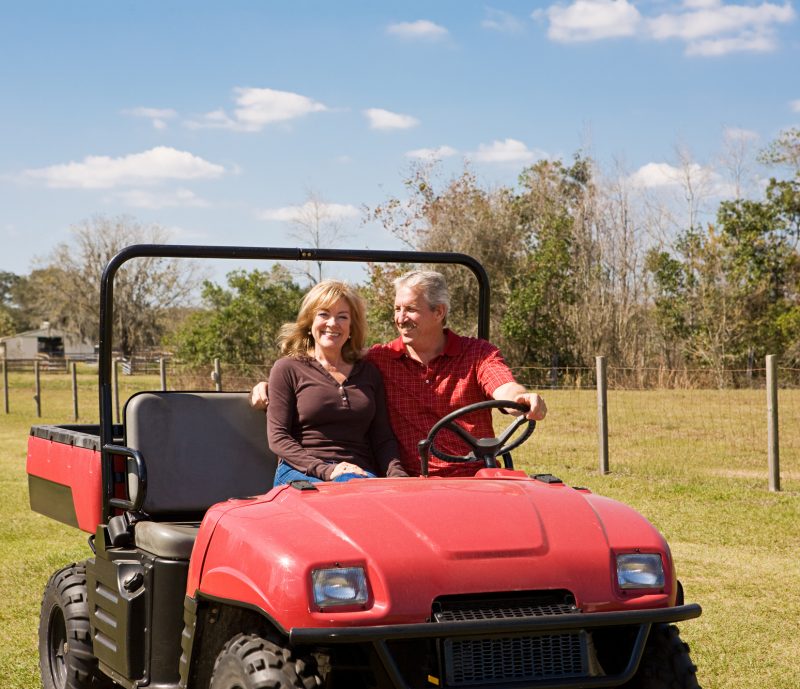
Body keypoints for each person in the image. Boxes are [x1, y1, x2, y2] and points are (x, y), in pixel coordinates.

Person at [254, 270, 546, 478]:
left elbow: (502, 385)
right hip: (417, 479)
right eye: (397, 309)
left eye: (410, 310)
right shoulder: (382, 359)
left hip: (474, 473)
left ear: (439, 312)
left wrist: (521, 398)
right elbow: (326, 368)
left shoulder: (477, 354)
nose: (400, 318)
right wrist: (271, 384)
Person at [267, 279, 407, 486]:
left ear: (351, 327)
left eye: (342, 317)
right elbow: (278, 437)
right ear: (309, 322)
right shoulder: (287, 368)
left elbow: (382, 439)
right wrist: (327, 470)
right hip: (300, 472)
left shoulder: (368, 372)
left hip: (358, 473)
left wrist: (399, 477)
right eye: (324, 314)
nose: (333, 323)